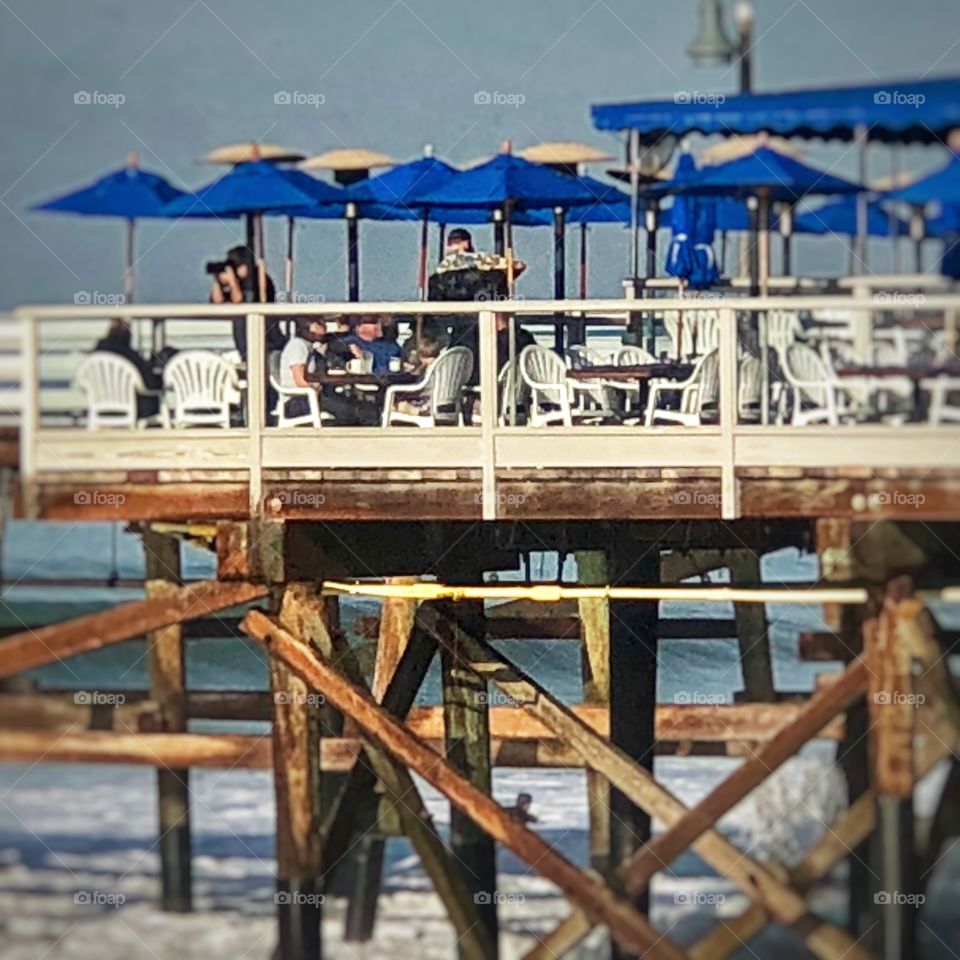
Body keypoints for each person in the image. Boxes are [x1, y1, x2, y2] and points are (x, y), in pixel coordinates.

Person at [278, 319, 376, 426]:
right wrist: (319, 391)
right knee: (354, 411)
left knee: (356, 407)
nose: (324, 327)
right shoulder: (298, 346)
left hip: (311, 397)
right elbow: (300, 381)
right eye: (320, 324)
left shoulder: (309, 346)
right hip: (298, 401)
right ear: (307, 326)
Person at [209, 245, 285, 359]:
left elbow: (239, 301)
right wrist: (217, 280)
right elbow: (217, 302)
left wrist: (233, 282)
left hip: (268, 336)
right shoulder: (236, 282)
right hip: (246, 339)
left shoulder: (258, 278)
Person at [93, 320, 163, 420]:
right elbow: (149, 381)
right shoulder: (129, 356)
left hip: (103, 407)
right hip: (133, 408)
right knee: (153, 394)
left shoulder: (98, 354)